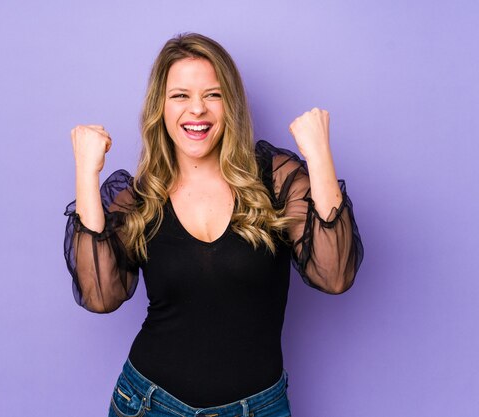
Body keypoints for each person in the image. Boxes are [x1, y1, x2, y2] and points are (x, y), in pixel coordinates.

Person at [64, 32, 363, 417]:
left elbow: (334, 275)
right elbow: (100, 296)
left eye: (213, 94)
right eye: (180, 95)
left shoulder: (274, 178)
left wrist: (319, 154)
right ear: (161, 107)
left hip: (257, 408)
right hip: (149, 404)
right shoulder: (142, 197)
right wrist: (86, 175)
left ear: (230, 105)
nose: (197, 110)